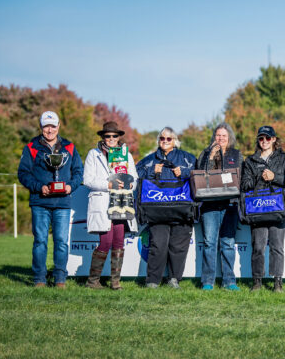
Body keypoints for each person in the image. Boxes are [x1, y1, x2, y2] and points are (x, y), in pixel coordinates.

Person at [17, 111, 84, 288]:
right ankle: (39, 278)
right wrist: (40, 187)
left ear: (58, 126)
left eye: (53, 126)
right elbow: (23, 174)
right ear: (41, 127)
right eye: (46, 126)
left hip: (62, 203)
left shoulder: (69, 147)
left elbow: (78, 172)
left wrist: (71, 186)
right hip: (40, 202)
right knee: (40, 241)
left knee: (61, 242)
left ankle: (60, 278)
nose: (49, 130)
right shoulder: (31, 146)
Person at [136, 127, 196, 289]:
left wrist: (184, 172)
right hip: (157, 211)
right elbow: (135, 176)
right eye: (162, 138)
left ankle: (174, 279)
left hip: (181, 209)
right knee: (158, 245)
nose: (165, 141)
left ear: (175, 140)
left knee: (178, 247)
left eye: (169, 139)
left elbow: (199, 174)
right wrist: (150, 171)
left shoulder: (187, 159)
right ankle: (153, 281)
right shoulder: (149, 160)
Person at [83, 121, 138, 290]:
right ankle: (93, 281)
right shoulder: (94, 154)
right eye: (108, 136)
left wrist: (129, 184)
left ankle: (115, 282)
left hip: (121, 202)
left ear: (119, 137)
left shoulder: (125, 154)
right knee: (105, 242)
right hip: (103, 202)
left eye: (115, 136)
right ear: (102, 137)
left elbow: (134, 178)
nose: (111, 139)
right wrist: (109, 184)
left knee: (119, 242)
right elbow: (87, 180)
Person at [241, 125, 285, 292]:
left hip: (277, 208)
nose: (264, 141)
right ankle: (257, 282)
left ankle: (278, 283)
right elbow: (244, 184)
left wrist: (275, 177)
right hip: (257, 209)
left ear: (274, 139)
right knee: (258, 246)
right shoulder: (249, 161)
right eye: (261, 138)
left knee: (277, 246)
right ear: (258, 141)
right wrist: (259, 176)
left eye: (268, 138)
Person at [195, 123, 242, 291]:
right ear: (213, 137)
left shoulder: (236, 155)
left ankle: (229, 281)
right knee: (209, 243)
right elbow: (199, 176)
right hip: (209, 205)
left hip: (230, 204)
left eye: (224, 136)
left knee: (228, 243)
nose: (220, 138)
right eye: (218, 135)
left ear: (229, 138)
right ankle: (208, 281)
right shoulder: (205, 153)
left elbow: (240, 178)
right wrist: (210, 157)